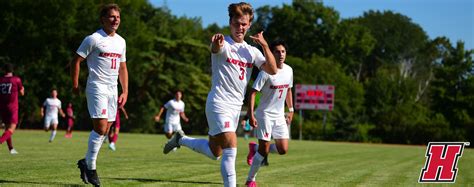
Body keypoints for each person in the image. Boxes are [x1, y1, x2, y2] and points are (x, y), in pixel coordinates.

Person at [163, 2, 277, 187]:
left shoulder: (252, 51)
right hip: (218, 103)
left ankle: (180, 139)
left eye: (244, 24)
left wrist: (264, 45)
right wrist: (216, 44)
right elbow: (216, 48)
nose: (240, 27)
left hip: (234, 108)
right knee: (231, 147)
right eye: (236, 23)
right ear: (230, 22)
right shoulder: (223, 42)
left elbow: (272, 70)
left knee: (215, 152)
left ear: (249, 25)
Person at [71, 3, 128, 186]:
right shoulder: (93, 39)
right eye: (112, 16)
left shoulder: (121, 41)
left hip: (113, 90)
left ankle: (85, 163)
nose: (115, 20)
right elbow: (76, 61)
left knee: (107, 128)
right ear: (103, 19)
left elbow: (123, 67)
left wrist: (125, 91)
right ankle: (92, 167)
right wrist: (75, 84)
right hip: (97, 87)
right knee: (102, 128)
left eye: (118, 17)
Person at [245, 39, 294, 186]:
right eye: (277, 52)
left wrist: (291, 110)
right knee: (264, 150)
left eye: (283, 51)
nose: (280, 54)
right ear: (271, 54)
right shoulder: (265, 72)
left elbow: (289, 90)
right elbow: (253, 93)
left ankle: (254, 148)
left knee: (283, 149)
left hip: (279, 115)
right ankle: (250, 180)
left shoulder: (289, 70)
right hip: (264, 114)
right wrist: (251, 114)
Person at [0, 63, 24, 154]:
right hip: (12, 107)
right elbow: (22, 93)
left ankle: (11, 149)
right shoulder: (16, 79)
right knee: (11, 129)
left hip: (3, 107)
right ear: (12, 70)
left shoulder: (0, 80)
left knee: (7, 129)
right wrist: (23, 89)